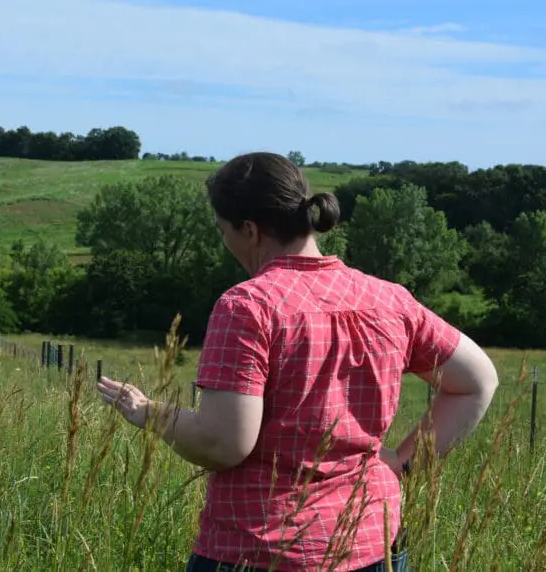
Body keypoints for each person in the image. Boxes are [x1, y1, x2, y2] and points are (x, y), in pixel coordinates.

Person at [97, 152, 499, 572]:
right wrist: (400, 463)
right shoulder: (388, 299)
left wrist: (148, 412)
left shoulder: (248, 306)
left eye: (223, 230)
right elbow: (477, 381)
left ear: (249, 230)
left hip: (262, 550)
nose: (225, 242)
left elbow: (224, 443)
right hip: (374, 539)